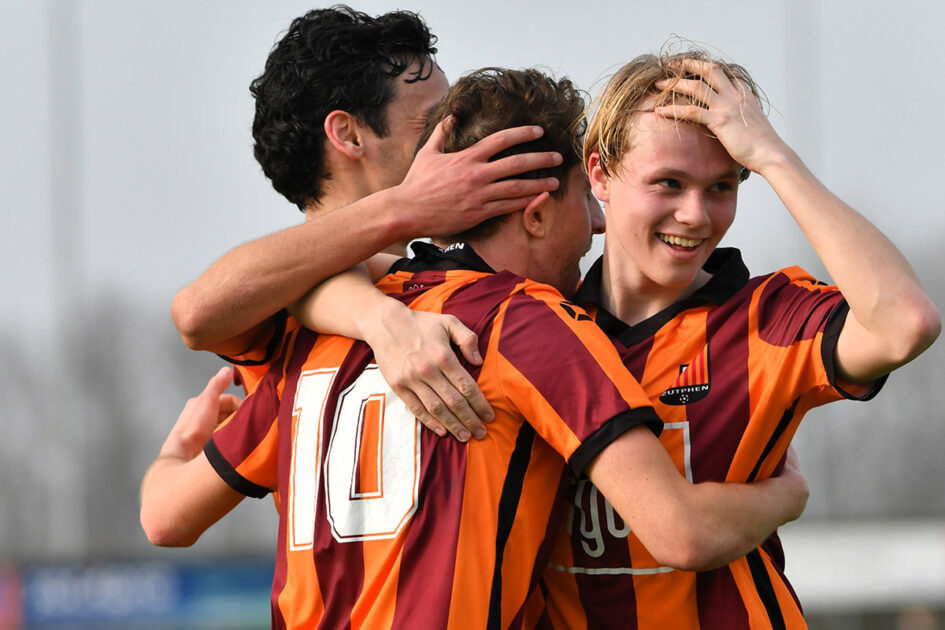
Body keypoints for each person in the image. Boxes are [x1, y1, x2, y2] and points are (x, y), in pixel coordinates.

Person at [275, 49, 940, 628]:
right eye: (668, 184)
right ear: (598, 174)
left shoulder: (763, 317)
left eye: (723, 187)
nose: (695, 214)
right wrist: (374, 317)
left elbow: (904, 323)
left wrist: (774, 158)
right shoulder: (532, 320)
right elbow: (299, 282)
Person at [141, 67, 809, 630]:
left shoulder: (318, 336)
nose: (598, 223)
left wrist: (174, 453)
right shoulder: (529, 324)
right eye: (584, 197)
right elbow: (678, 533)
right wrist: (785, 495)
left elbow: (164, 516)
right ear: (537, 212)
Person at [169, 5, 565, 428]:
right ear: (349, 135)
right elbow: (195, 312)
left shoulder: (465, 281)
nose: (456, 135)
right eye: (432, 119)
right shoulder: (270, 309)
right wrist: (407, 207)